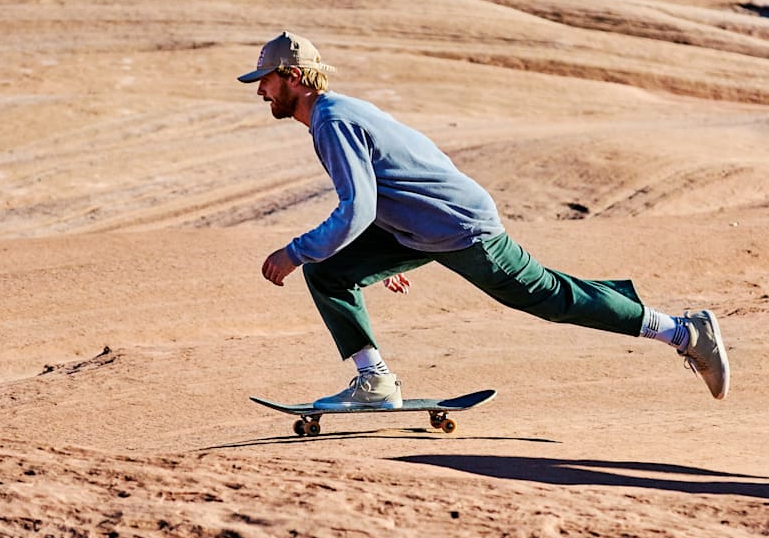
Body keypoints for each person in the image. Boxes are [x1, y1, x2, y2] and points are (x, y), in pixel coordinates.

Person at [239, 30, 730, 410]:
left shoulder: (333, 121)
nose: (260, 90)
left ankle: (683, 332)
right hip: (422, 228)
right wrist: (391, 245)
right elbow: (393, 183)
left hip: (457, 226)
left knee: (548, 298)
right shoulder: (338, 112)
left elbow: (357, 207)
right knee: (332, 273)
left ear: (294, 76)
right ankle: (375, 383)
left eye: (265, 79)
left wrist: (294, 251)